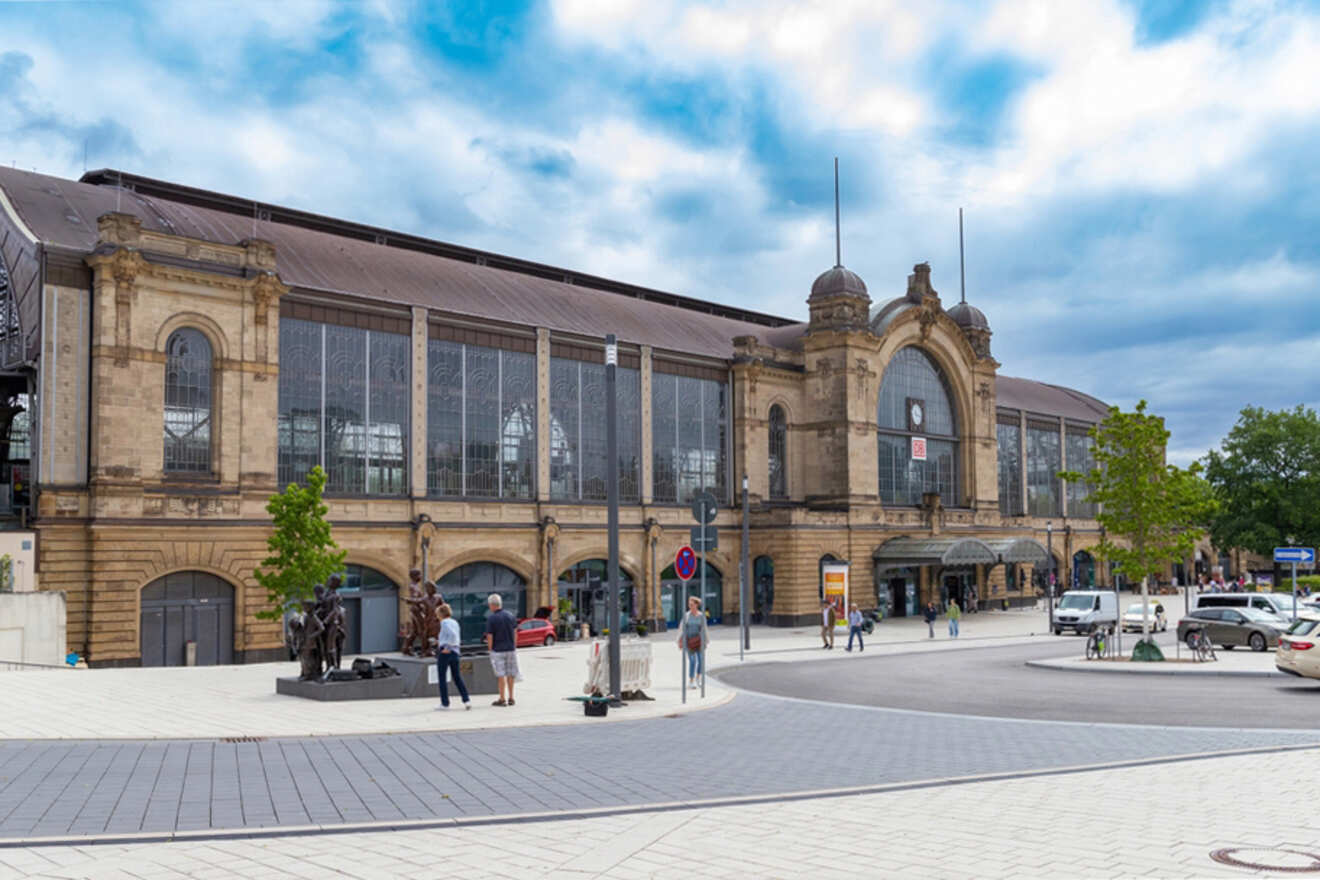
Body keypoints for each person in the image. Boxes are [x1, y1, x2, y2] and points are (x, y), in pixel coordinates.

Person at [483, 593, 519, 707]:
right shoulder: (510, 615)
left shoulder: (492, 618)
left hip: (498, 650)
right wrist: (514, 645)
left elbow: (490, 636)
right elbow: (515, 632)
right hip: (510, 649)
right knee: (511, 674)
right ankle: (511, 697)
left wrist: (490, 649)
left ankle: (502, 698)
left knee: (501, 675)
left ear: (492, 605)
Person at [434, 603, 470, 710]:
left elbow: (452, 635)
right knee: (457, 677)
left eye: (437, 614)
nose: (437, 616)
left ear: (441, 614)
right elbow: (455, 636)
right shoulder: (455, 622)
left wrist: (447, 647)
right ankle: (466, 700)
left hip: (446, 652)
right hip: (455, 652)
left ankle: (445, 703)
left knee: (442, 678)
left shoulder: (444, 622)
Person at [677, 596, 709, 686]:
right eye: (689, 604)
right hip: (689, 642)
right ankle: (691, 680)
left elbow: (704, 629)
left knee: (701, 660)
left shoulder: (701, 616)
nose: (690, 606)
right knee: (692, 661)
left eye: (691, 604)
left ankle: (698, 678)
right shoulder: (686, 616)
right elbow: (681, 629)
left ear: (696, 605)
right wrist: (680, 641)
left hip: (699, 642)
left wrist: (706, 641)